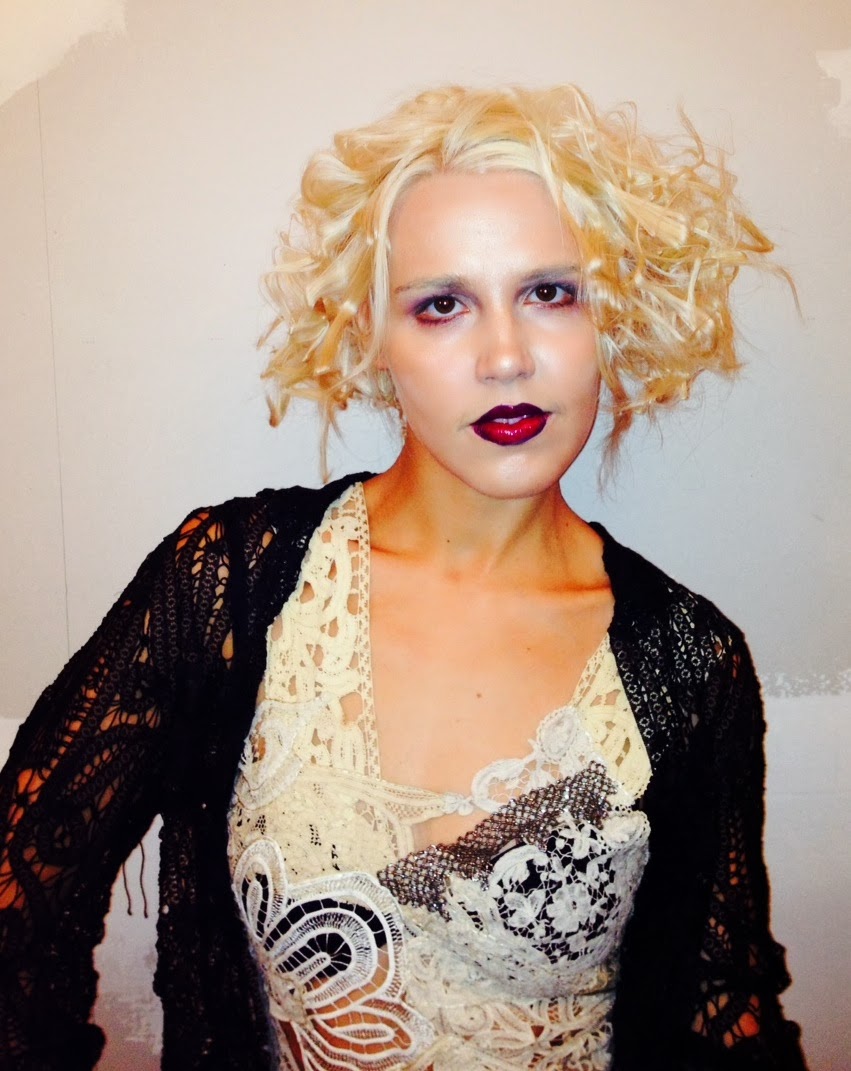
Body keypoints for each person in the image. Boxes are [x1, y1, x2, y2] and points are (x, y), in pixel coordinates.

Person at [0, 85, 807, 1071]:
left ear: (614, 314)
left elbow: (719, 1003)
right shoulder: (232, 585)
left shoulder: (688, 661)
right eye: (442, 305)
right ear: (373, 338)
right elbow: (19, 908)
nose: (505, 357)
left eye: (550, 293)